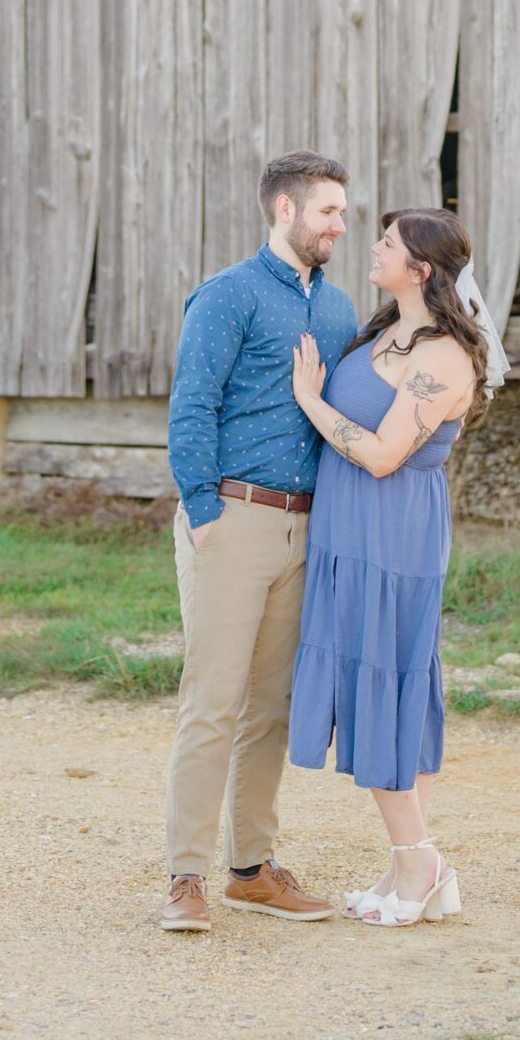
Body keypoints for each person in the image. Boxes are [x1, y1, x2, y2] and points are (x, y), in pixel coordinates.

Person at [285, 205, 507, 927]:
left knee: (385, 685)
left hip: (393, 537)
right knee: (368, 684)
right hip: (347, 530)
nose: (371, 248)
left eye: (387, 243)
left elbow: (382, 455)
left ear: (420, 270)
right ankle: (408, 862)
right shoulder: (384, 329)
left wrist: (310, 402)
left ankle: (420, 862)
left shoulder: (441, 356)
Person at [160, 152, 359, 934]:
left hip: (306, 525)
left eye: (341, 213)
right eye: (328, 212)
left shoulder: (339, 308)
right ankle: (184, 877)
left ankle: (250, 869)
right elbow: (191, 406)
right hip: (232, 521)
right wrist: (203, 511)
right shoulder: (227, 295)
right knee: (212, 701)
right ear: (285, 209)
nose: (339, 225)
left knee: (270, 707)